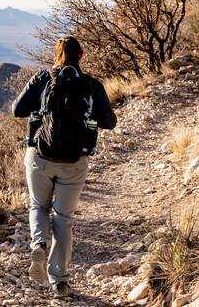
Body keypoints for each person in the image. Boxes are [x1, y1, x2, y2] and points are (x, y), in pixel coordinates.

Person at [11, 36, 117, 298]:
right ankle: (59, 280)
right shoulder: (91, 84)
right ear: (81, 56)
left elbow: (17, 110)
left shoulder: (43, 78)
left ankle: (39, 243)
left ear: (56, 55)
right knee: (63, 219)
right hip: (75, 162)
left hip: (40, 157)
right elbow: (109, 122)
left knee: (38, 205)